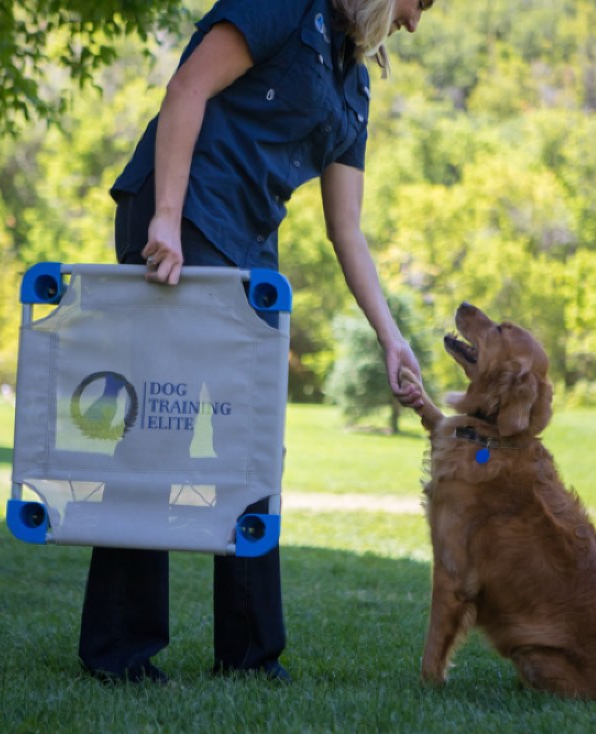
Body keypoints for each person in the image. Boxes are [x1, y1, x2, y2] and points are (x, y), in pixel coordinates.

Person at [79, 0, 432, 684]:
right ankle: (119, 651)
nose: (416, 24)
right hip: (183, 215)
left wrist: (391, 337)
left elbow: (346, 229)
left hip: (248, 248)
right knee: (159, 429)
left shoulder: (354, 81)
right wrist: (168, 221)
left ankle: (248, 654)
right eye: (420, 4)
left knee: (251, 441)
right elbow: (187, 88)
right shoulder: (283, 7)